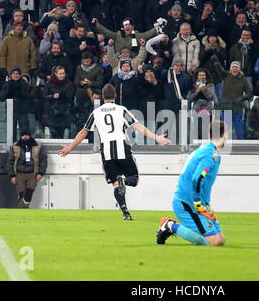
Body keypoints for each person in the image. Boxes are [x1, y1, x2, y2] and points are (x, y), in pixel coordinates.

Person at [58, 84, 171, 220]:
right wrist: (156, 137)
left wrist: (70, 147)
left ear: (102, 97)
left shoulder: (96, 112)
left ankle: (125, 212)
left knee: (116, 184)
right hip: (121, 147)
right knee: (133, 179)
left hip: (106, 151)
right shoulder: (121, 110)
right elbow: (138, 127)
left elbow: (84, 132)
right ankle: (123, 181)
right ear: (115, 96)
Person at [156, 120, 227, 246]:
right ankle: (169, 225)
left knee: (221, 240)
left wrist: (206, 204)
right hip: (187, 203)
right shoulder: (209, 154)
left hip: (198, 203)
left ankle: (173, 226)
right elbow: (197, 178)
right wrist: (198, 202)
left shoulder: (207, 149)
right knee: (214, 242)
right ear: (224, 135)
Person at [7, 128, 47, 208]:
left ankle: (20, 209)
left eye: (27, 135)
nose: (25, 137)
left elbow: (44, 160)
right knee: (21, 195)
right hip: (19, 174)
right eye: (23, 135)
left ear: (30, 136)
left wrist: (41, 173)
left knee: (29, 193)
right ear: (20, 136)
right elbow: (10, 161)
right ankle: (23, 212)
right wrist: (12, 175)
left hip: (33, 174)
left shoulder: (38, 145)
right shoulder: (15, 146)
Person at [43, 66, 75, 138]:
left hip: (64, 112)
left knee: (63, 134)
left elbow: (71, 95)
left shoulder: (68, 83)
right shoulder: (49, 83)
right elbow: (44, 95)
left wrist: (61, 95)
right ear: (56, 74)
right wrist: (52, 96)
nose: (62, 75)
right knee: (53, 133)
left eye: (63, 73)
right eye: (60, 74)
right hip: (52, 112)